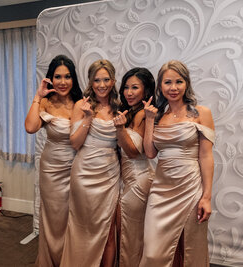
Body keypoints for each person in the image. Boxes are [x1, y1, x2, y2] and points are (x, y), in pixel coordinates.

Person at [139, 60, 215, 267]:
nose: (173, 88)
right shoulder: (157, 116)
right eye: (168, 82)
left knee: (190, 248)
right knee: (153, 252)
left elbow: (206, 157)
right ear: (160, 86)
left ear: (186, 83)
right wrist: (148, 120)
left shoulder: (201, 114)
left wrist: (206, 197)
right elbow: (150, 153)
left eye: (179, 82)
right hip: (161, 189)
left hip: (190, 187)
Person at [60, 59, 120, 267]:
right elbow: (75, 143)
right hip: (84, 172)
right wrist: (87, 117)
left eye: (106, 80)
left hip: (110, 174)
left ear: (113, 81)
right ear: (90, 82)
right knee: (82, 228)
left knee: (108, 230)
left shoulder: (119, 107)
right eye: (97, 80)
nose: (101, 85)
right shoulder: (81, 105)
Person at [25, 54, 82, 266]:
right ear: (51, 79)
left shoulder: (82, 103)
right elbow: (30, 128)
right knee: (53, 217)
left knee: (74, 218)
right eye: (58, 77)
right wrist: (38, 97)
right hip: (51, 168)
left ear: (73, 79)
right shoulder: (46, 103)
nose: (63, 82)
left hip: (78, 168)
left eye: (67, 76)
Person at [113, 68, 156, 267]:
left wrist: (120, 130)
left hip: (139, 179)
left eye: (135, 88)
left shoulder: (142, 115)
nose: (129, 92)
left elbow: (133, 152)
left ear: (146, 91)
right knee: (126, 231)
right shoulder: (129, 112)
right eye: (126, 87)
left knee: (131, 233)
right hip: (127, 179)